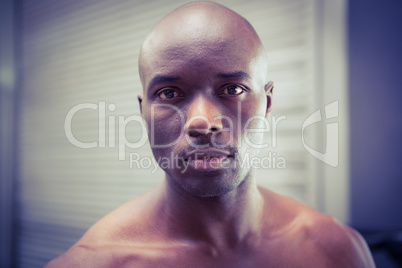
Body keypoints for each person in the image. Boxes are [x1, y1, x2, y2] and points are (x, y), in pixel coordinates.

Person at [46, 2, 375, 267]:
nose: (202, 123)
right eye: (170, 94)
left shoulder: (336, 252)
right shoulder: (93, 262)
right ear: (142, 112)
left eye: (232, 89)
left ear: (267, 103)